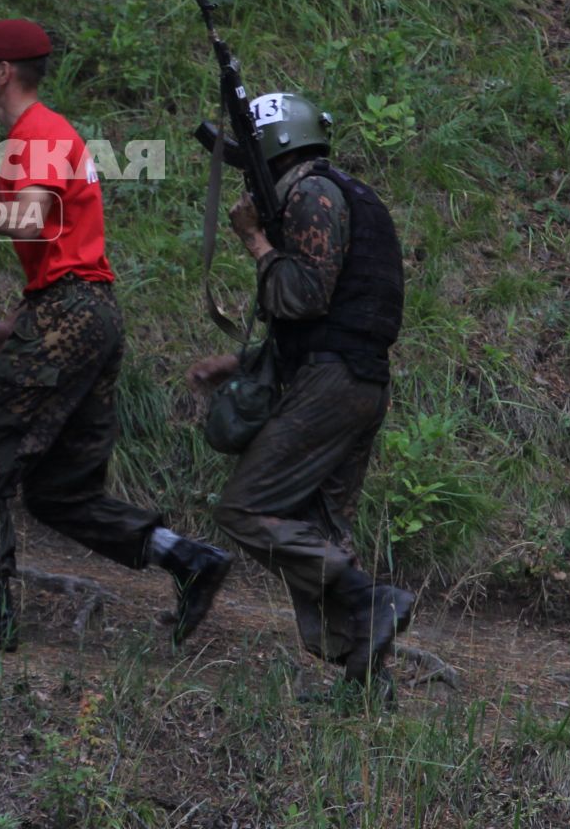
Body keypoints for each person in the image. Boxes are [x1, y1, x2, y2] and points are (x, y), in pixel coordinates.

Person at [0, 18, 229, 650]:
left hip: (73, 314)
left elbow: (29, 221)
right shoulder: (39, 134)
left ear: (3, 73)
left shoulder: (41, 133)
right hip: (81, 314)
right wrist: (21, 323)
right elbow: (59, 245)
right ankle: (187, 557)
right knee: (58, 490)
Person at [186, 92, 413, 699]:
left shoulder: (312, 195)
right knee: (319, 529)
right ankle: (366, 682)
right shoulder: (343, 193)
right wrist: (238, 361)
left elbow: (305, 295)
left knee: (246, 508)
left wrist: (256, 241)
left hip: (332, 385)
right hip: (353, 381)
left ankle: (371, 598)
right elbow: (334, 316)